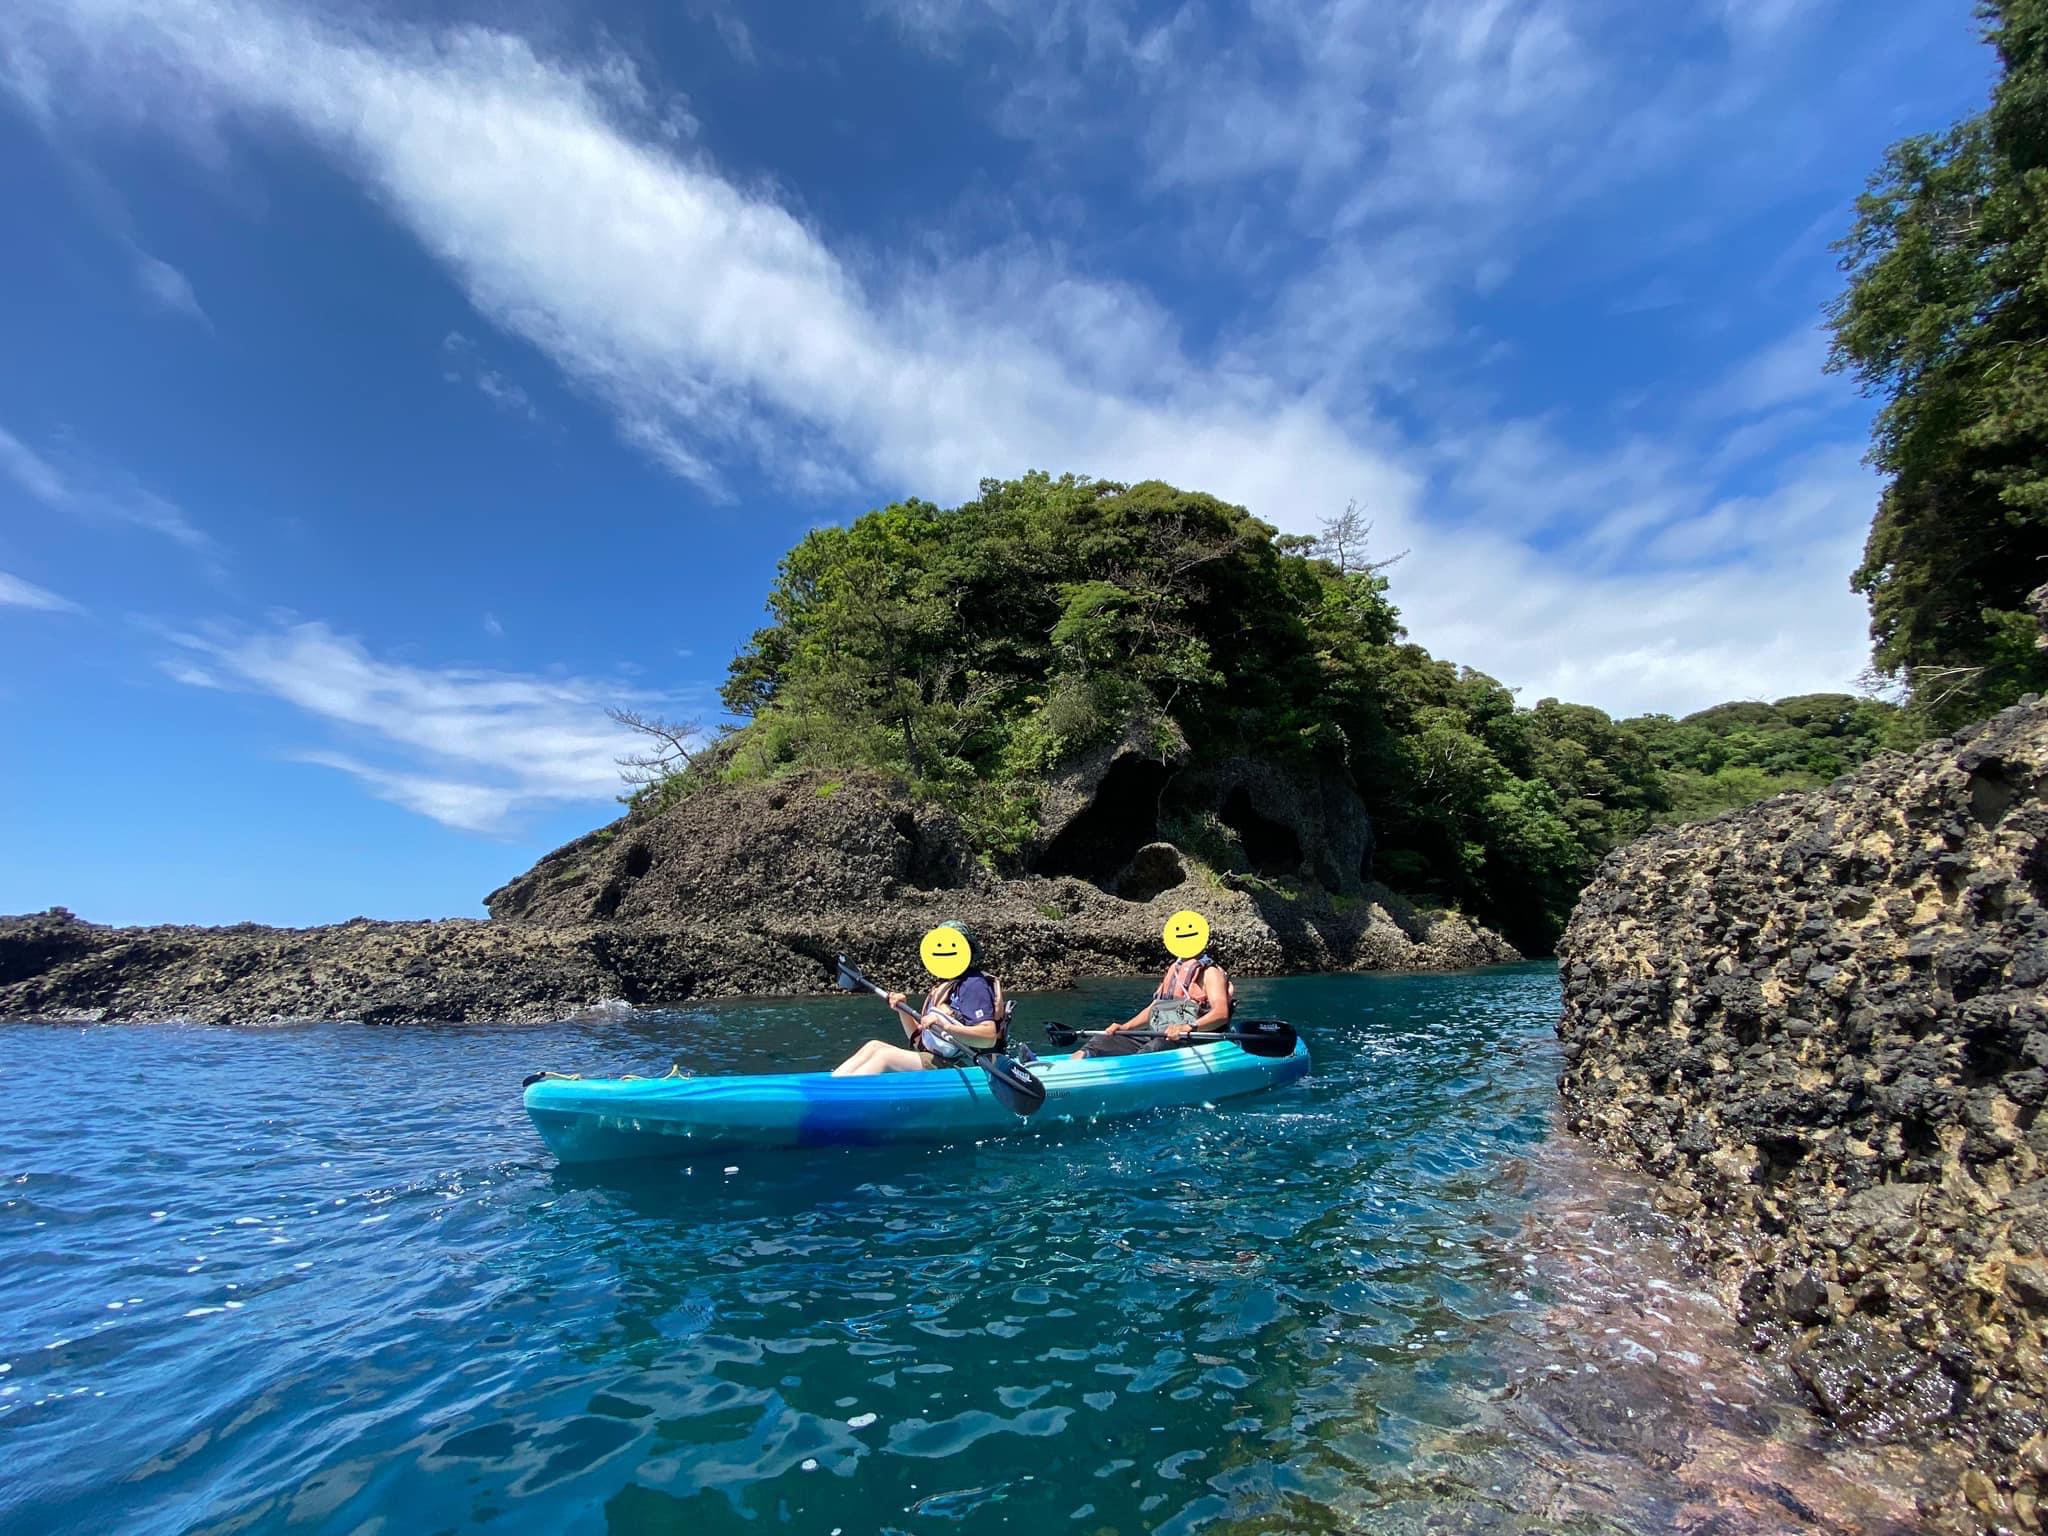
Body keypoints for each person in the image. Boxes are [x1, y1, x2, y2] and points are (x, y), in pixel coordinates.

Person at [832, 920, 1009, 1076]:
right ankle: (831, 1087)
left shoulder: (973, 985)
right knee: (874, 1046)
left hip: (966, 1067)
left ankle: (839, 1096)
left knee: (884, 1057)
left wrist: (946, 1027)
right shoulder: (944, 988)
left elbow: (988, 1037)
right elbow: (920, 1042)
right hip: (941, 1060)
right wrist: (902, 1009)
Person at [1076, 909, 1233, 1058]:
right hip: (1160, 1033)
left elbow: (1221, 1014)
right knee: (1101, 1041)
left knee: (1154, 1048)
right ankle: (1073, 1066)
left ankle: (1133, 1071)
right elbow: (1155, 1008)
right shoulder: (1175, 969)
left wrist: (1187, 1027)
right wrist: (1125, 1027)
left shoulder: (1210, 973)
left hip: (1192, 1039)